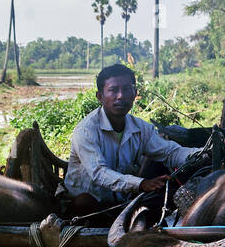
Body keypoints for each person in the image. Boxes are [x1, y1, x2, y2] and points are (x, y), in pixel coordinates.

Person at [60, 63, 198, 221]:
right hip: (86, 207)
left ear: (134, 94)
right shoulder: (86, 131)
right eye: (113, 90)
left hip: (121, 203)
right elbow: (99, 173)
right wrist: (141, 184)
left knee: (166, 194)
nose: (120, 96)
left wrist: (205, 152)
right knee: (84, 201)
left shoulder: (141, 128)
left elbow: (170, 152)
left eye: (126, 89)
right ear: (100, 96)